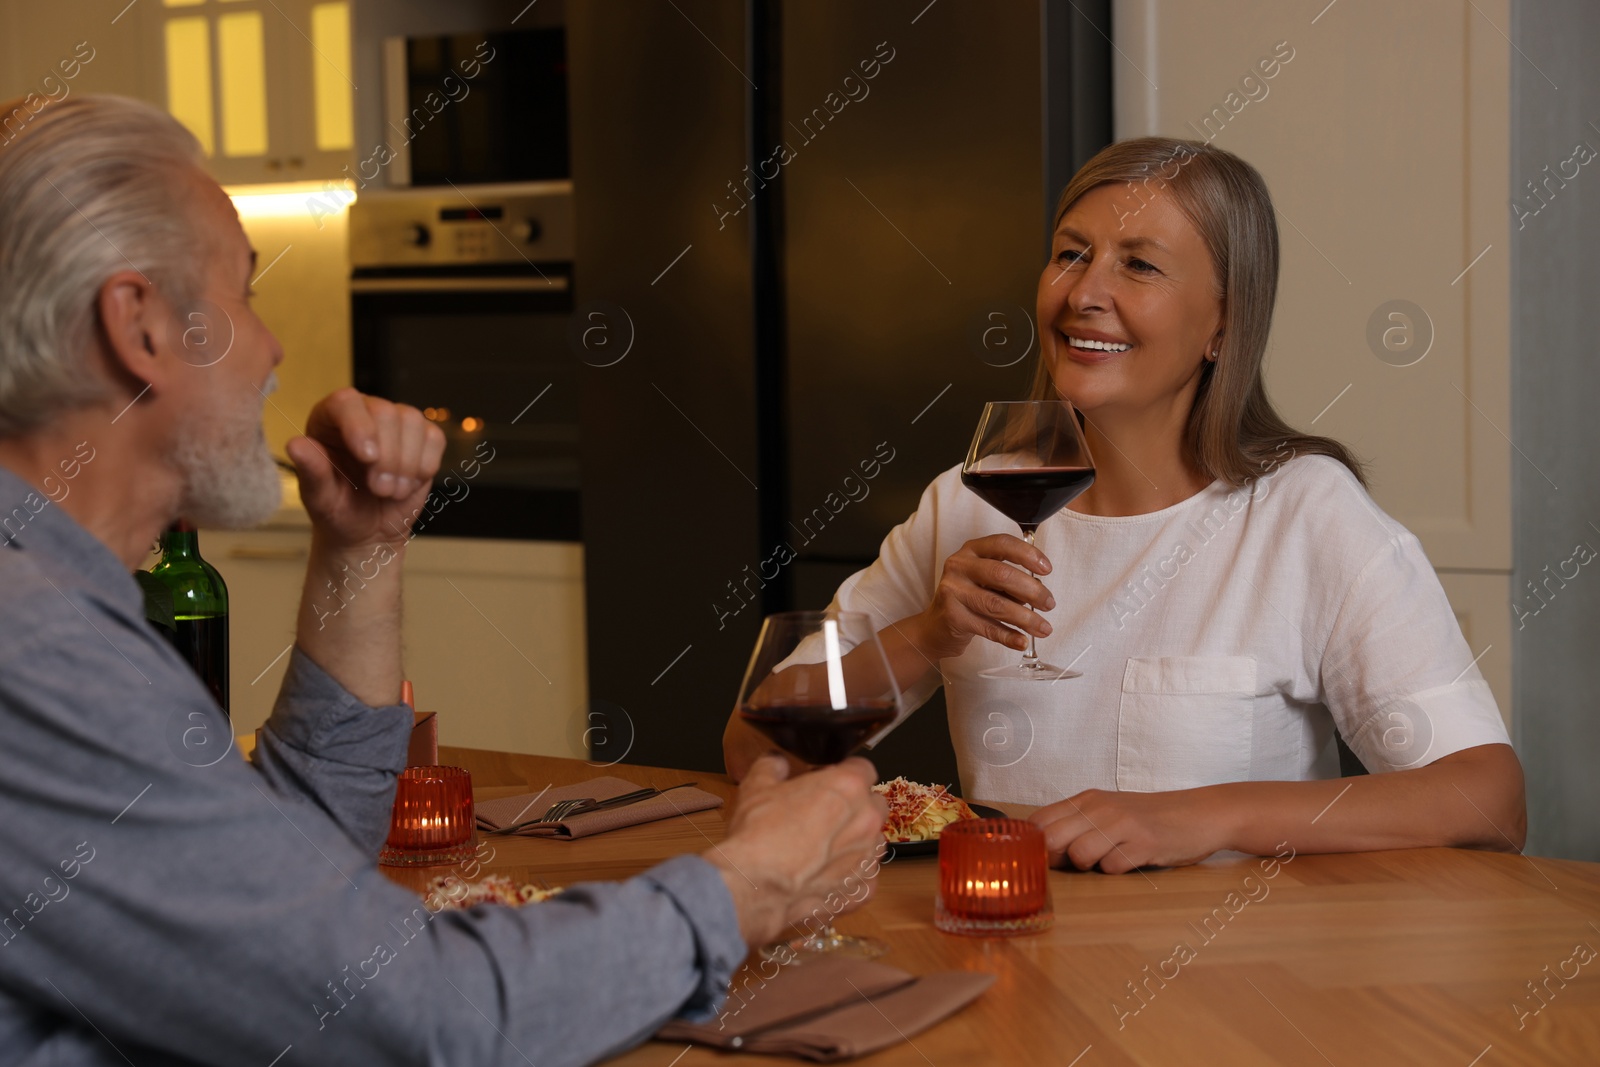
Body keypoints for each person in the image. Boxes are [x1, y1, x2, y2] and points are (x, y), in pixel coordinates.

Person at [0, 94, 887, 1066]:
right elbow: (420, 1014)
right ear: (140, 326)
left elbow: (287, 908)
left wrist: (365, 548)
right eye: (246, 294)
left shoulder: (51, 605)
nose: (273, 348)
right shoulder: (38, 646)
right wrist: (745, 888)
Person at [725, 137, 1525, 874]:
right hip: (1010, 958)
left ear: (1224, 323)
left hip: (1237, 999)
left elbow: (1488, 797)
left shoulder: (1303, 512)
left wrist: (1208, 817)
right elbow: (754, 750)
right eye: (1071, 254)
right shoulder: (964, 505)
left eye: (1139, 266)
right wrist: (924, 635)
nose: (1085, 292)